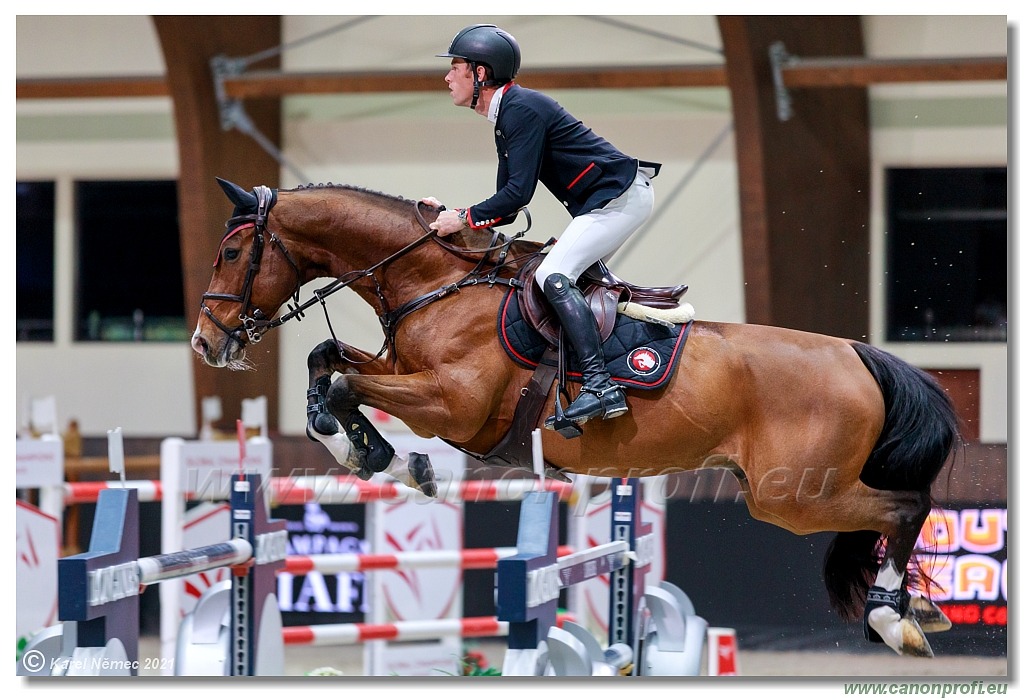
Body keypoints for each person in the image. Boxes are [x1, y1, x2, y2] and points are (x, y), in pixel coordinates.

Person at [425, 23, 660, 432]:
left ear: (480, 73)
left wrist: (462, 217)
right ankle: (590, 378)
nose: (447, 76)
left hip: (618, 200)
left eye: (456, 66)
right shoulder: (508, 115)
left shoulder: (520, 110)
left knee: (554, 275)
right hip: (610, 202)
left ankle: (601, 385)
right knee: (571, 279)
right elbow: (509, 206)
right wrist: (454, 214)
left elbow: (516, 196)